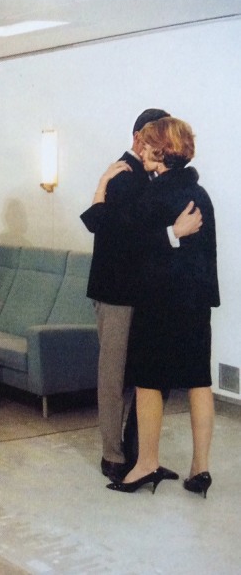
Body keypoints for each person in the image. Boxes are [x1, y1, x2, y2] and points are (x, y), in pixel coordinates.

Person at [81, 108, 203, 482]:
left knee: (145, 376)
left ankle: (140, 455)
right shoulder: (124, 176)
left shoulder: (147, 177)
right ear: (140, 139)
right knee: (115, 375)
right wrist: (172, 233)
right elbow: (120, 236)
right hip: (118, 292)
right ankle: (113, 455)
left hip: (146, 293)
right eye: (157, 141)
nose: (163, 149)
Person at [102, 117, 219, 496]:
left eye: (150, 144)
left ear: (162, 150)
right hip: (197, 304)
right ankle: (200, 468)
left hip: (160, 303)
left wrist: (101, 189)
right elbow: (206, 256)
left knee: (148, 383)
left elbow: (126, 241)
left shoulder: (155, 194)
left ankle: (146, 463)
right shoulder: (200, 193)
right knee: (200, 383)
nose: (144, 150)